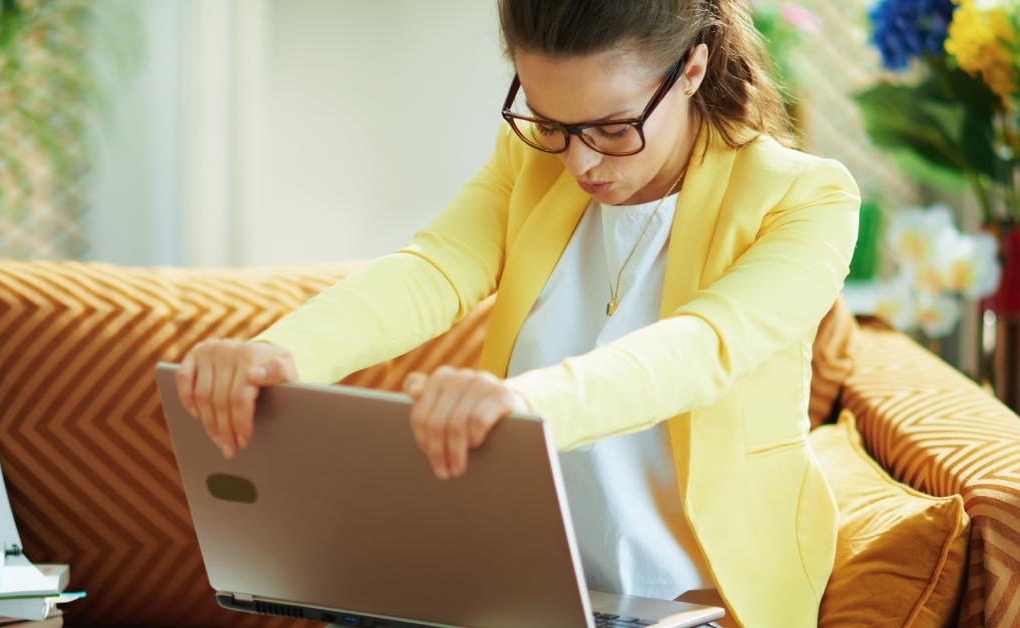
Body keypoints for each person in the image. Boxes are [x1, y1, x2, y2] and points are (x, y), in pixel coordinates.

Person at [175, 0, 860, 625]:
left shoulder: (807, 199)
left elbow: (703, 347)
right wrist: (282, 351)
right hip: (530, 595)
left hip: (705, 600)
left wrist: (515, 408)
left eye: (614, 128)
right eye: (552, 124)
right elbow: (436, 268)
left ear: (691, 69)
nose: (581, 161)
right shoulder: (530, 163)